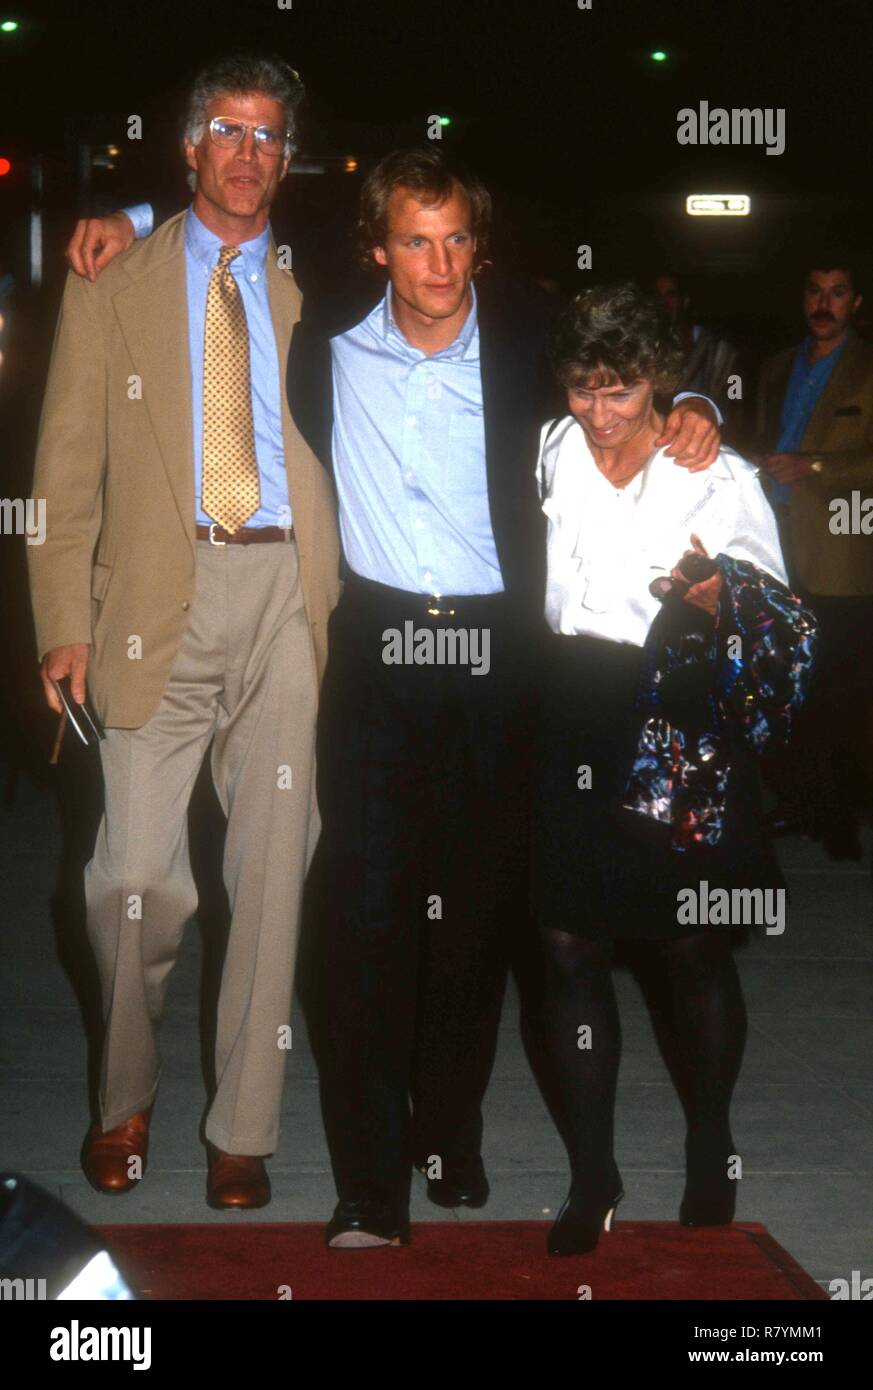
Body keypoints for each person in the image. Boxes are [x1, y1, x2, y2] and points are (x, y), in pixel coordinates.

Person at [65, 148, 723, 1250]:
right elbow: (272, 191)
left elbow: (629, 356)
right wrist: (131, 207)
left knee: (471, 924)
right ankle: (371, 1183)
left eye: (458, 238)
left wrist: (696, 399)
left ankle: (446, 1131)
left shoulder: (524, 332)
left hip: (498, 654)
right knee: (361, 921)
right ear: (377, 247)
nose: (439, 263)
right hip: (372, 645)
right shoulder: (327, 330)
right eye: (415, 240)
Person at [29, 53, 341, 1210]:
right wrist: (61, 621)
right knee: (134, 882)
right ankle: (124, 1096)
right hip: (149, 604)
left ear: (286, 156)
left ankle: (241, 1128)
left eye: (269, 136)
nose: (250, 153)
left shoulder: (330, 279)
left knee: (272, 873)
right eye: (229, 131)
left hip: (283, 596)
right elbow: (62, 468)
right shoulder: (114, 277)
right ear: (191, 147)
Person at [532, 282, 812, 1256]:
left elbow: (775, 610)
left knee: (690, 945)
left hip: (680, 721)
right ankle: (592, 1170)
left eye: (621, 392)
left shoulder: (718, 473)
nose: (600, 416)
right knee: (566, 945)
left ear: (659, 383)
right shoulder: (553, 450)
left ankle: (708, 1138)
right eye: (582, 389)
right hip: (572, 710)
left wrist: (715, 592)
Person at [756, 255, 873, 857]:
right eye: (814, 291)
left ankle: (840, 817)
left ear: (855, 303)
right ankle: (803, 802)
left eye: (837, 293)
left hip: (842, 554)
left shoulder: (867, 369)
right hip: (776, 553)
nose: (823, 303)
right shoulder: (776, 369)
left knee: (843, 690)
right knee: (789, 688)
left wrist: (817, 466)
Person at [653, 271, 740, 427]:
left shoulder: (720, 349)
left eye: (670, 295)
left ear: (684, 301)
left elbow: (734, 399)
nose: (663, 302)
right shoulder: (647, 350)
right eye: (658, 296)